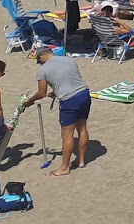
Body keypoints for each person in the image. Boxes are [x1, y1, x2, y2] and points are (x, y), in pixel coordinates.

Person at [21, 49, 92, 177]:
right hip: (84, 93)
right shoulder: (69, 60)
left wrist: (30, 100)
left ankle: (64, 167)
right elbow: (70, 79)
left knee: (67, 135)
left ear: (42, 56)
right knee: (82, 128)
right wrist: (56, 92)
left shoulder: (43, 70)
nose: (40, 63)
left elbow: (41, 93)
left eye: (39, 60)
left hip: (70, 100)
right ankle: (81, 160)